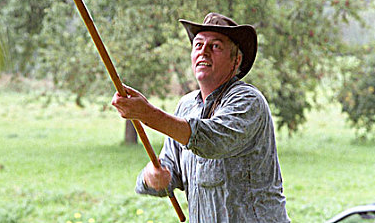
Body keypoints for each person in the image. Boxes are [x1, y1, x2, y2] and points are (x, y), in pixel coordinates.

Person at [111, 13, 290, 222]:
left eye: (215, 47)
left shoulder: (248, 101)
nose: (203, 52)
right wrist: (154, 177)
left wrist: (148, 114)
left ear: (236, 60)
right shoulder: (186, 106)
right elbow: (169, 168)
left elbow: (211, 140)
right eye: (198, 45)